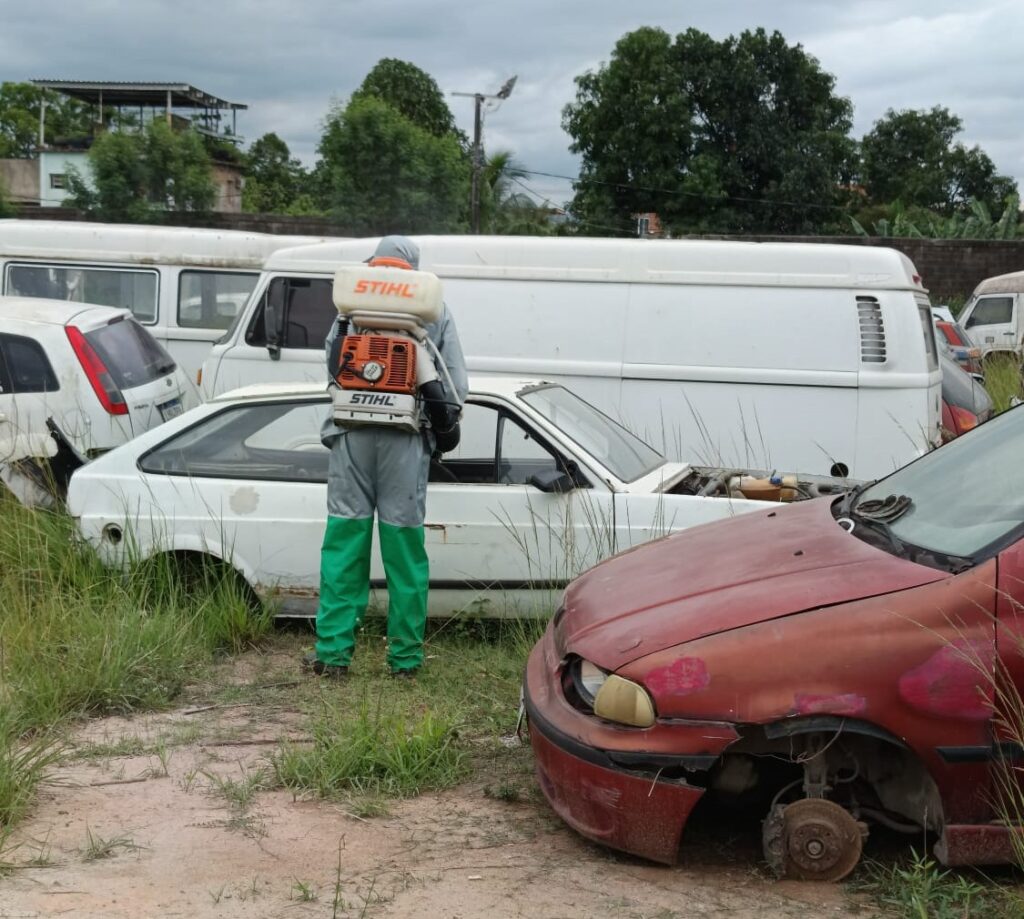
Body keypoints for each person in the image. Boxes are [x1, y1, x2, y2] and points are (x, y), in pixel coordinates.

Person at [304, 236, 468, 679]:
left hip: (350, 435)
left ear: (374, 263)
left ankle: (333, 655)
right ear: (413, 269)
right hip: (405, 441)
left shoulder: (350, 307)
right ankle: (405, 661)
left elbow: (332, 363)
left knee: (343, 545)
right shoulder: (431, 308)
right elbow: (455, 387)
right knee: (404, 553)